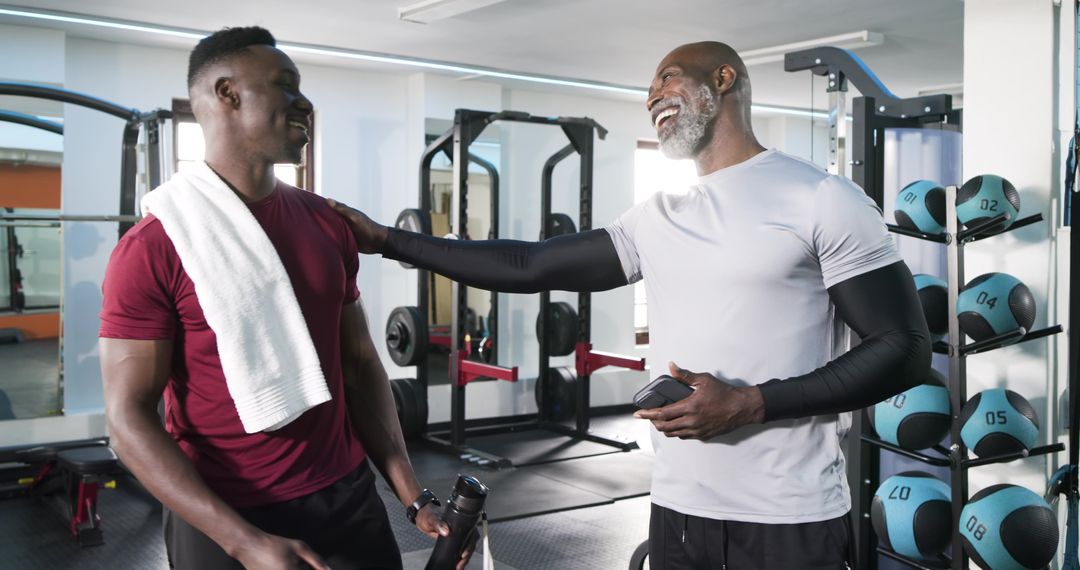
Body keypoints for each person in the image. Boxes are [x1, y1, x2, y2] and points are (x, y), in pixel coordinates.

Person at [330, 41, 931, 569]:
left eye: (667, 78)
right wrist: (388, 240)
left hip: (789, 515)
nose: (652, 97)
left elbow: (904, 348)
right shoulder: (657, 218)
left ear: (723, 79)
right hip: (678, 511)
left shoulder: (822, 198)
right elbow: (530, 265)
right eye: (648, 90)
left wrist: (751, 403)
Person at [99, 27, 469, 570]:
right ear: (227, 93)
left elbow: (360, 365)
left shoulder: (327, 222)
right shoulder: (154, 247)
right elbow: (127, 419)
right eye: (285, 85)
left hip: (345, 496)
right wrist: (244, 542)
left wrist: (412, 496)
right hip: (225, 514)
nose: (304, 102)